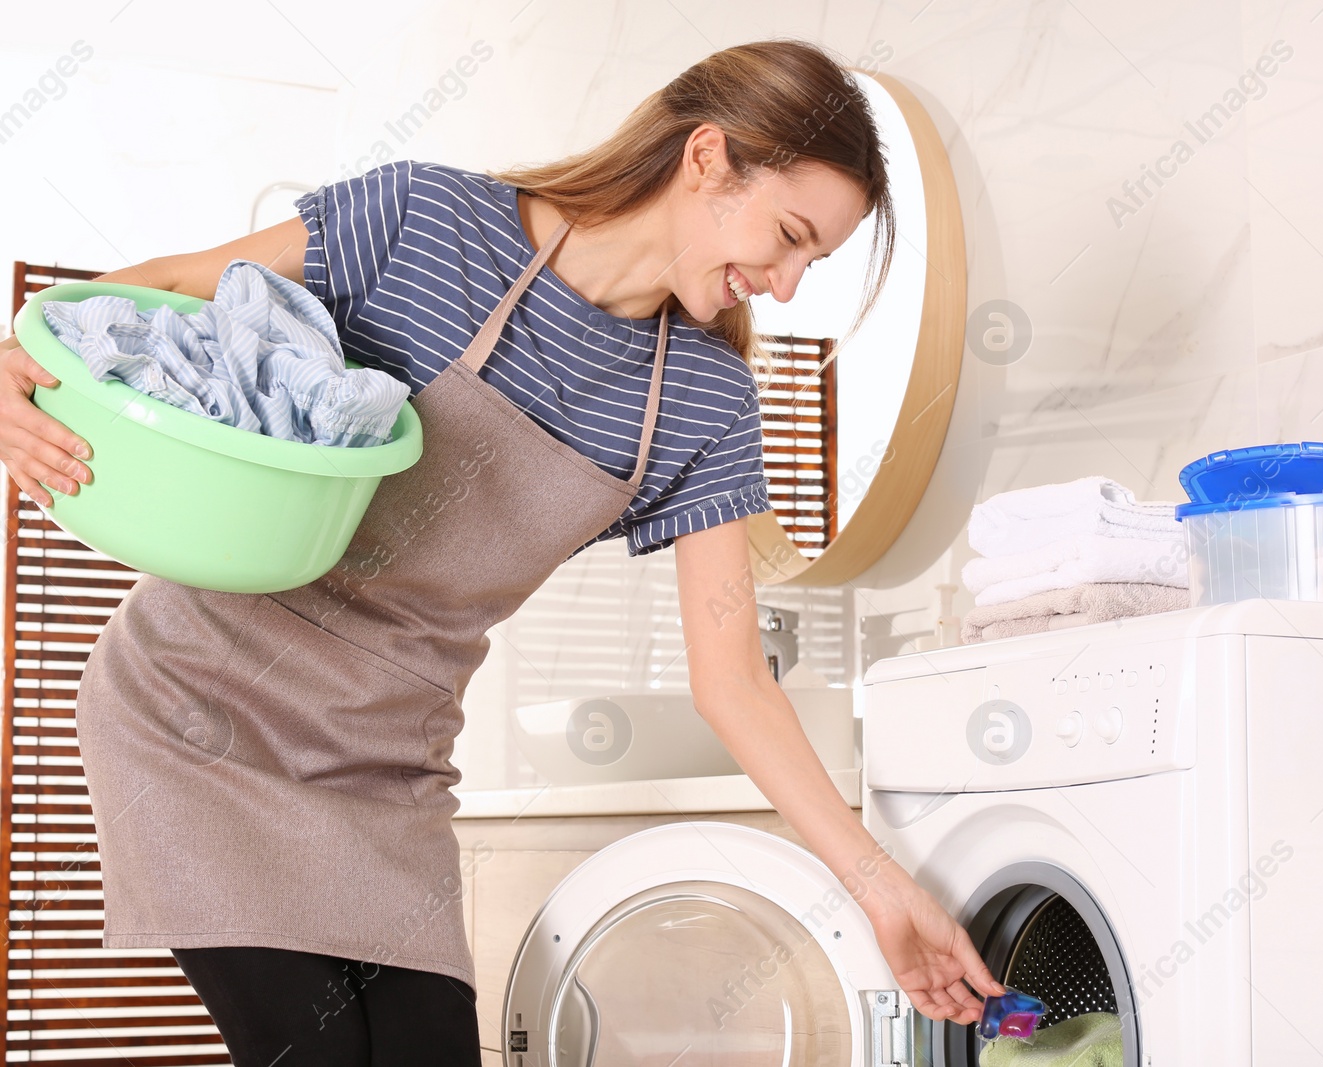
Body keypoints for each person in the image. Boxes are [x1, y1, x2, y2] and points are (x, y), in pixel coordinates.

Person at [0, 38, 1004, 1065]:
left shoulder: (703, 399)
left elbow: (734, 679)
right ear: (707, 157)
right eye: (788, 237)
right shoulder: (426, 223)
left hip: (384, 766)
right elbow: (159, 292)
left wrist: (883, 890)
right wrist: (12, 364)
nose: (785, 285)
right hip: (197, 714)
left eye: (811, 263)